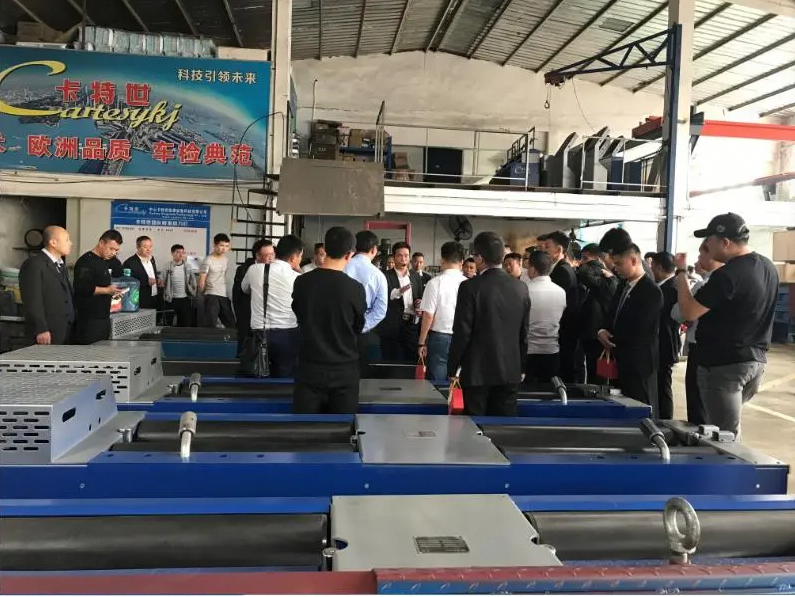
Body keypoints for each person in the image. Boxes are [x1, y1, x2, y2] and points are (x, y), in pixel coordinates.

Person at [674, 213, 778, 436]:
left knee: (724, 436)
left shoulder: (727, 275)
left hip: (724, 366)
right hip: (755, 362)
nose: (707, 246)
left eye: (709, 240)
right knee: (724, 427)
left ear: (725, 242)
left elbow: (689, 312)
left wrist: (681, 274)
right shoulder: (767, 267)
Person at [448, 232, 530, 416]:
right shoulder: (521, 288)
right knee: (505, 426)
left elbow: (462, 331)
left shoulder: (470, 287)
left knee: (474, 427)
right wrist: (522, 366)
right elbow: (524, 332)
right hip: (510, 369)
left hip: (477, 370)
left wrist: (453, 366)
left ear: (479, 258)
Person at [292, 227, 366, 413]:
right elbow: (358, 326)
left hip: (309, 367)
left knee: (304, 426)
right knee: (342, 427)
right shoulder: (355, 289)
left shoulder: (302, 282)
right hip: (344, 370)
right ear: (350, 254)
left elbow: (299, 315)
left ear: (325, 248)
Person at [598, 244, 663, 410]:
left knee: (638, 407)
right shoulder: (623, 285)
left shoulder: (651, 291)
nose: (616, 268)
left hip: (638, 362)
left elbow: (641, 329)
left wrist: (613, 339)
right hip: (620, 358)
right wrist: (603, 331)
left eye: (619, 264)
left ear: (633, 261)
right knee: (620, 405)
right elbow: (612, 313)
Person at [672, 240, 722, 426]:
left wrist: (681, 272)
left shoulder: (705, 286)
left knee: (698, 404)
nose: (698, 259)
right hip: (721, 352)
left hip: (700, 350)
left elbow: (679, 313)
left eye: (701, 254)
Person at [242, 234, 303, 377]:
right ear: (294, 257)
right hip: (287, 335)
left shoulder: (254, 270)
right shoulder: (298, 278)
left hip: (259, 333)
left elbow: (244, 289)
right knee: (284, 379)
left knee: (256, 377)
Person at [418, 242, 466, 381]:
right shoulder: (469, 283)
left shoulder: (435, 283)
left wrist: (421, 342)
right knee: (458, 381)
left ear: (442, 260)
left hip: (440, 338)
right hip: (463, 338)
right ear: (462, 262)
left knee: (437, 382)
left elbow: (428, 315)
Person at [19, 225, 75, 345]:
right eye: (67, 240)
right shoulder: (35, 264)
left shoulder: (61, 266)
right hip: (47, 331)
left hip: (65, 328)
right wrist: (41, 328)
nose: (71, 243)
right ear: (53, 242)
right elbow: (32, 300)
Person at [345, 230, 388, 375]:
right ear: (374, 249)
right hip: (365, 334)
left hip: (340, 332)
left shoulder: (342, 267)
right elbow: (380, 311)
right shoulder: (378, 275)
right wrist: (362, 326)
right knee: (367, 376)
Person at [522, 250, 567, 383]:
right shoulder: (561, 291)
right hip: (552, 351)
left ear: (533, 269)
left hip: (528, 352)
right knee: (548, 391)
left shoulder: (524, 291)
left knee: (526, 391)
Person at [73, 229, 124, 345]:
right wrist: (107, 290)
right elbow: (83, 288)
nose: (113, 253)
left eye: (116, 250)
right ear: (101, 243)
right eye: (111, 249)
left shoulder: (104, 261)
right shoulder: (86, 261)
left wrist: (113, 292)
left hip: (103, 316)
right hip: (90, 319)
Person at [577, 243, 618, 383]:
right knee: (594, 368)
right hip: (594, 330)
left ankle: (598, 391)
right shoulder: (605, 277)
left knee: (598, 370)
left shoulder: (608, 279)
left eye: (584, 259)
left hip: (597, 331)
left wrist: (596, 265)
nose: (581, 263)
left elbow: (584, 274)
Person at [544, 230, 581, 383]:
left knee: (563, 370)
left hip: (564, 329)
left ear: (559, 250)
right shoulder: (558, 268)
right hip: (562, 329)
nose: (544, 251)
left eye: (547, 247)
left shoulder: (563, 271)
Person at [379, 242, 424, 362]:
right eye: (399, 255)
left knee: (411, 359)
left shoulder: (415, 276)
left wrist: (419, 303)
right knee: (390, 359)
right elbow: (384, 296)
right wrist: (399, 291)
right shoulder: (385, 276)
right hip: (391, 324)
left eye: (406, 255)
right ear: (394, 257)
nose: (403, 258)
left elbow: (419, 296)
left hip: (411, 324)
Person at [651, 251, 681, 419]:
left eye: (652, 266)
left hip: (665, 342)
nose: (651, 270)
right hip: (662, 342)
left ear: (659, 268)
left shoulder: (670, 289)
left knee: (663, 384)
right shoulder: (666, 286)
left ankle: (665, 419)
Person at [233, 239, 274, 354]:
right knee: (246, 351)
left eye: (273, 254)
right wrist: (241, 320)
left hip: (269, 320)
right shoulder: (244, 270)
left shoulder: (275, 269)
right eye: (268, 255)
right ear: (258, 255)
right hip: (248, 318)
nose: (271, 258)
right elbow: (237, 297)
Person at [198, 233, 235, 328]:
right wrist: (204, 295)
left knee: (231, 325)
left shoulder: (226, 260)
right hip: (211, 295)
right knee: (210, 325)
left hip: (223, 295)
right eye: (221, 245)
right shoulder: (208, 260)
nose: (224, 249)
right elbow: (201, 281)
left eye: (226, 246)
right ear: (215, 245)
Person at [159, 244, 197, 327]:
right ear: (172, 253)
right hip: (170, 299)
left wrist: (192, 292)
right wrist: (161, 283)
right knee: (167, 324)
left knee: (186, 324)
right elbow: (161, 280)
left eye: (182, 252)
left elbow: (193, 282)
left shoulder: (188, 266)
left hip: (185, 299)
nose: (181, 255)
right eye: (178, 252)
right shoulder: (167, 266)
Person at [122, 236, 160, 311]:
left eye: (150, 246)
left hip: (154, 296)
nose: (148, 249)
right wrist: (145, 281)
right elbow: (126, 283)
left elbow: (152, 275)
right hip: (140, 299)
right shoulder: (129, 262)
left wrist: (157, 280)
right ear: (138, 247)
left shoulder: (152, 259)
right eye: (145, 247)